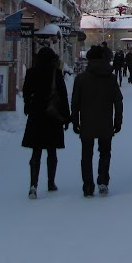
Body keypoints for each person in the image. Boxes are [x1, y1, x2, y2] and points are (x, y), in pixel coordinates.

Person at [70, 44, 123, 197]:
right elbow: (118, 101)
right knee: (105, 152)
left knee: (86, 154)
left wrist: (75, 121)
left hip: (87, 123)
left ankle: (88, 185)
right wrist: (117, 121)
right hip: (105, 122)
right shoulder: (110, 78)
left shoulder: (81, 79)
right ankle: (103, 181)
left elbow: (75, 102)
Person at [21, 46, 70, 200]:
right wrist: (67, 117)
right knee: (51, 151)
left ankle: (33, 185)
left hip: (36, 116)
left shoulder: (31, 72)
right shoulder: (56, 73)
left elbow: (26, 92)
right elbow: (63, 95)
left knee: (36, 151)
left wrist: (28, 107)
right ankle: (51, 182)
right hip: (52, 116)